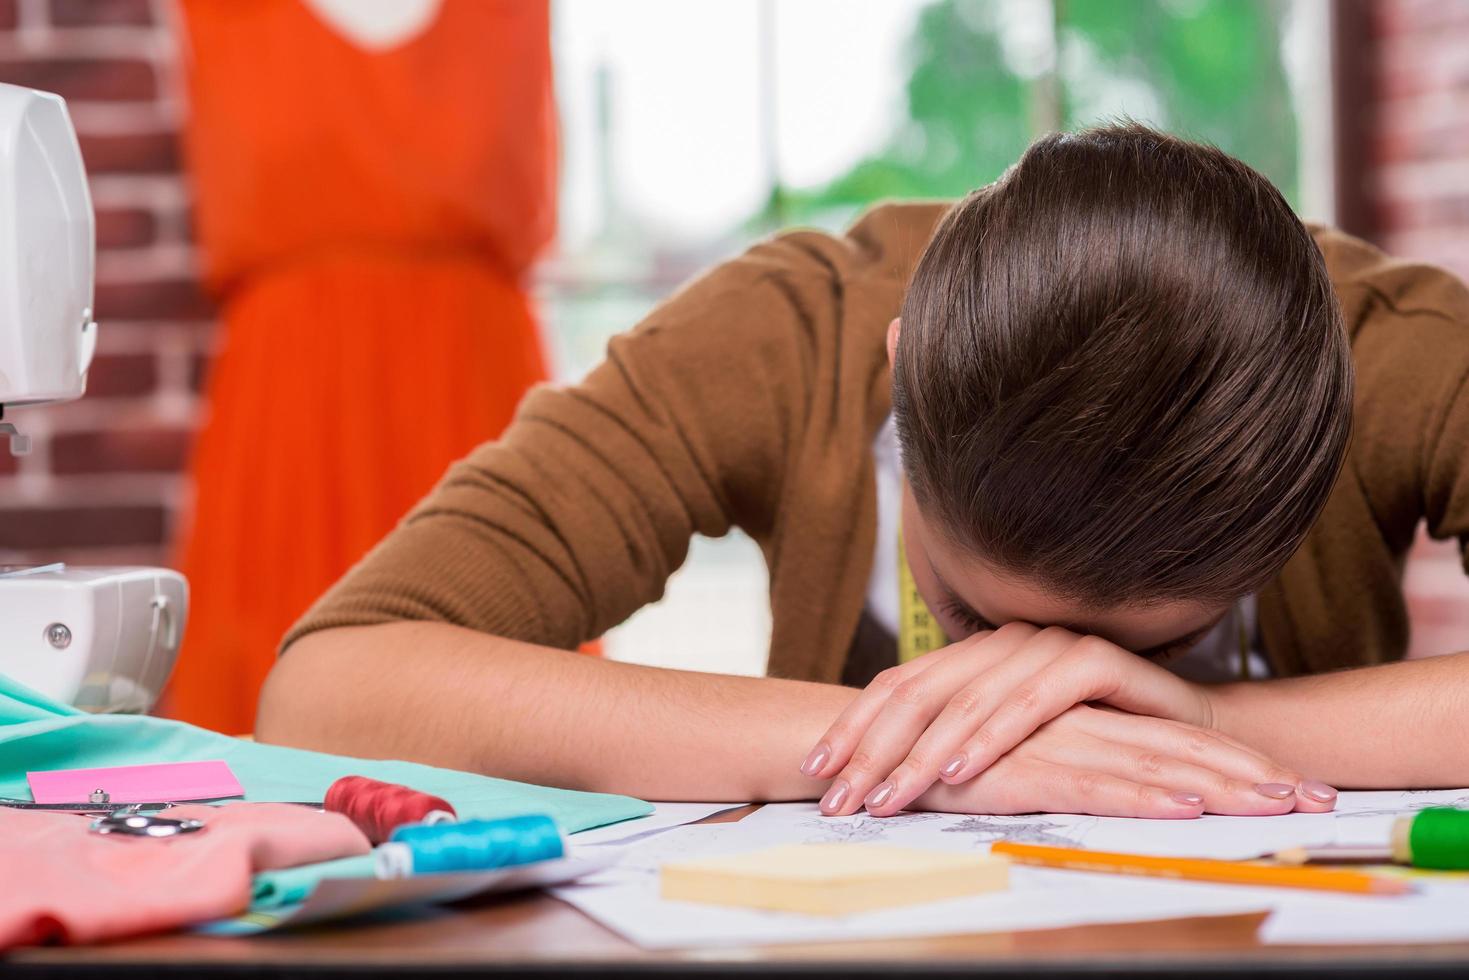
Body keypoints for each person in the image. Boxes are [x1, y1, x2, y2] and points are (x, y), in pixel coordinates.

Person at [255, 125, 1469, 818]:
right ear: (899, 374)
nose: (1044, 691)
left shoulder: (1396, 356)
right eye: (979, 617)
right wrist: (895, 740)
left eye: (1138, 652)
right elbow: (330, 685)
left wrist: (1209, 718)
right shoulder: (781, 337)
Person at [166, 0, 556, 734]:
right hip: (288, 411)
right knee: (268, 706)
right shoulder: (222, 19)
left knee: (515, 705)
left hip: (470, 393)